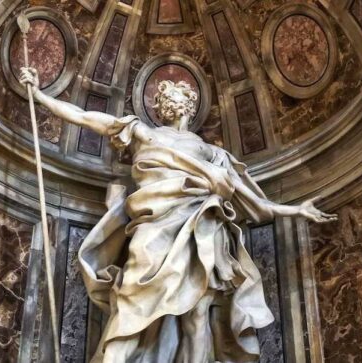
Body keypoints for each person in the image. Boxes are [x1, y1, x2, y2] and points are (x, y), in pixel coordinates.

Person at [20, 67, 336, 362]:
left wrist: (296, 209)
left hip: (201, 229)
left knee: (198, 316)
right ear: (160, 108)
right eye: (166, 100)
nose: (172, 104)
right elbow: (88, 118)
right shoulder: (144, 132)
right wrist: (40, 96)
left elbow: (255, 202)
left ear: (189, 107)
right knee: (132, 304)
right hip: (154, 229)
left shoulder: (213, 154)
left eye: (178, 99)